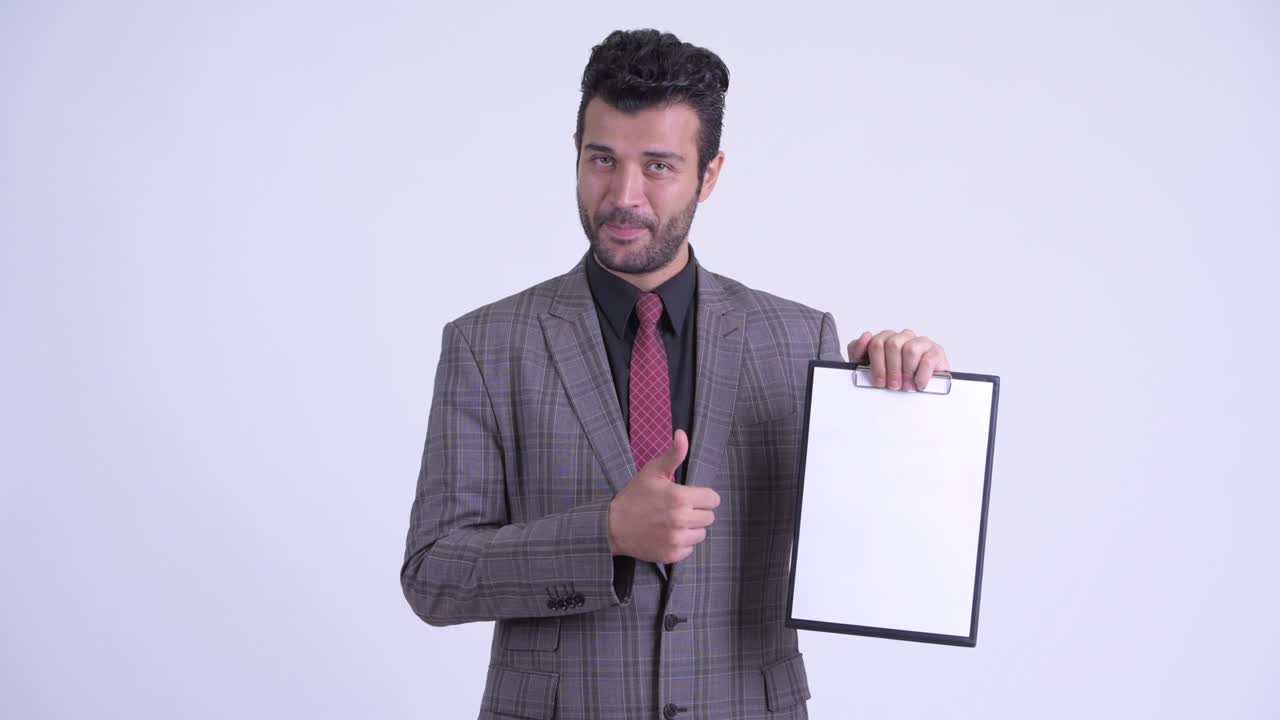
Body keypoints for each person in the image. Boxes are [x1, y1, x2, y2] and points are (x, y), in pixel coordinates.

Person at [400, 28, 950, 720]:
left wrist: (903, 408)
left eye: (658, 166)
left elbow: (870, 551)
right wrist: (604, 534)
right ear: (576, 157)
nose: (623, 195)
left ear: (709, 174)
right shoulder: (487, 345)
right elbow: (434, 574)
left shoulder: (799, 340)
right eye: (603, 159)